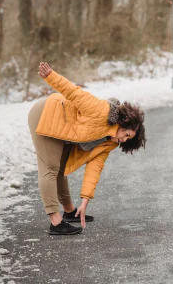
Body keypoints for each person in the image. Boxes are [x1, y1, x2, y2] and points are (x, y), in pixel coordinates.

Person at [28, 62, 146, 235]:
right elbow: (74, 93)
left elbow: (94, 169)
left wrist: (84, 202)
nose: (123, 139)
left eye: (127, 140)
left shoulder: (111, 142)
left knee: (61, 170)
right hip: (45, 114)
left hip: (63, 130)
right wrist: (51, 76)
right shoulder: (102, 111)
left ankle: (70, 211)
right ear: (123, 122)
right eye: (126, 134)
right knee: (50, 168)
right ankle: (55, 222)